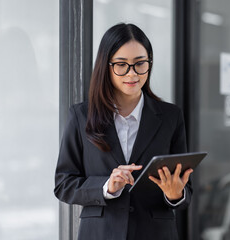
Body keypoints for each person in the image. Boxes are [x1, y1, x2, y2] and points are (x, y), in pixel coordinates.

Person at [54, 23, 193, 240]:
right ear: (106, 66)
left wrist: (175, 194)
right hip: (100, 234)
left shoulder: (170, 117)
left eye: (140, 64)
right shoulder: (81, 116)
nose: (132, 73)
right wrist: (106, 186)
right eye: (121, 65)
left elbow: (186, 191)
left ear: (149, 63)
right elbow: (64, 185)